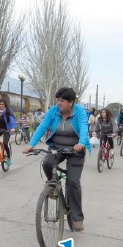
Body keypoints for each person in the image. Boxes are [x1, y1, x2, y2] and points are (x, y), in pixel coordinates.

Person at [22, 87, 90, 232]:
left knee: (72, 181)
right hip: (57, 148)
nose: (59, 103)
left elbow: (84, 128)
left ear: (71, 102)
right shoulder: (53, 111)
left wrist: (81, 143)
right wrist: (30, 145)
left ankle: (77, 217)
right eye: (58, 100)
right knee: (46, 162)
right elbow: (42, 127)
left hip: (75, 150)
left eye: (62, 101)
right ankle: (53, 185)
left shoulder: (79, 112)